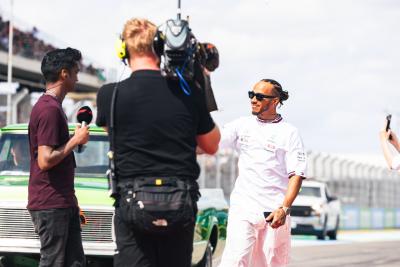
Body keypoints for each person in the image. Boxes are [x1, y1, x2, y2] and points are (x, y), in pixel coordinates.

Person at [96, 18, 220, 267]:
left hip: (132, 200)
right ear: (160, 46)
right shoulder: (188, 91)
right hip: (180, 201)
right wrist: (201, 81)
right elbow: (212, 144)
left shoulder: (109, 95)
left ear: (123, 50)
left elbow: (115, 134)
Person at [219, 79, 307, 267]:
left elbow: (297, 174)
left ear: (275, 101)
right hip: (243, 207)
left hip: (274, 211)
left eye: (260, 96)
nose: (253, 100)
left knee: (271, 264)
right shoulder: (241, 125)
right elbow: (211, 143)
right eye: (251, 95)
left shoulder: (289, 132)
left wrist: (284, 208)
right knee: (234, 261)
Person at [27, 47, 89, 267]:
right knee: (54, 262)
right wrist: (75, 140)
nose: (78, 77)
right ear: (65, 73)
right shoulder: (49, 110)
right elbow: (45, 160)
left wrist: (71, 200)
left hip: (60, 201)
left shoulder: (52, 107)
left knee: (74, 263)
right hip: (51, 203)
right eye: (76, 71)